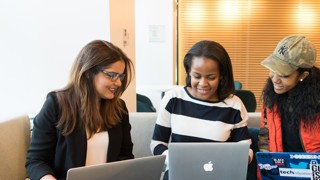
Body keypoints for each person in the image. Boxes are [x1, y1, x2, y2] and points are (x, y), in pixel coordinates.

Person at [26, 40, 135, 180]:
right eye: (112, 75)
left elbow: (125, 156)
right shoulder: (56, 104)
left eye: (121, 76)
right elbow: (36, 161)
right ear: (89, 72)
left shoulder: (119, 109)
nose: (119, 83)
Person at [150, 40, 253, 179]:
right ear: (188, 72)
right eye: (197, 76)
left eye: (211, 77)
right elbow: (157, 143)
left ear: (222, 76)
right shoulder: (173, 99)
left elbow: (245, 149)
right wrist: (173, 160)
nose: (203, 84)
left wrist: (241, 160)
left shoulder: (234, 105)